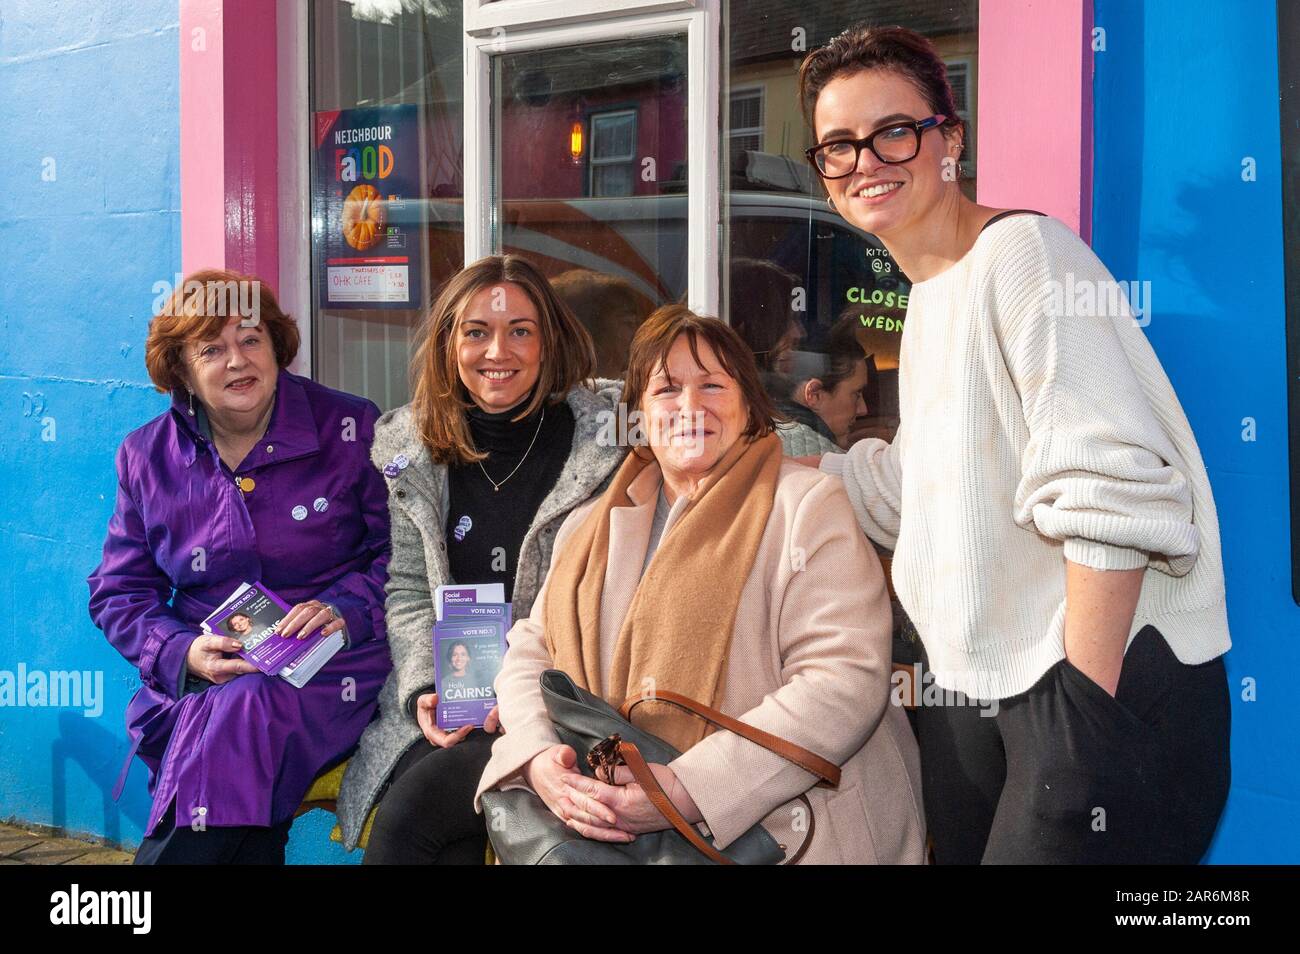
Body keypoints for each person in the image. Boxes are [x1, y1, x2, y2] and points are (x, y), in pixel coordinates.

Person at [797, 24, 1232, 863]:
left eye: (894, 131)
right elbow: (926, 483)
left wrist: (1082, 711)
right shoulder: (931, 297)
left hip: (1094, 682)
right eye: (838, 147)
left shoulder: (1027, 256)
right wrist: (763, 464)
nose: (866, 163)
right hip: (980, 684)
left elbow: (1114, 487)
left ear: (949, 139)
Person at [474, 305, 926, 864]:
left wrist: (686, 790)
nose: (690, 406)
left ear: (748, 407)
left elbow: (841, 682)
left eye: (712, 385)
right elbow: (529, 651)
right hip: (617, 834)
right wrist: (538, 756)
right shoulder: (589, 523)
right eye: (666, 390)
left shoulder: (807, 507)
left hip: (789, 836)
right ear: (639, 412)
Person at [87, 269, 392, 865]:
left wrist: (345, 608)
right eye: (211, 349)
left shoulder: (351, 428)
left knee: (247, 709)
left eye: (252, 340)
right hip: (210, 676)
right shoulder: (146, 455)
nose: (237, 361)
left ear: (277, 347)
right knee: (236, 710)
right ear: (181, 371)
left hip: (333, 661)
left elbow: (403, 557)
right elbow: (119, 591)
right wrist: (182, 654)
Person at [339, 254, 627, 864]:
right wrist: (423, 686)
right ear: (450, 343)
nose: (499, 350)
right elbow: (411, 587)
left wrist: (828, 462)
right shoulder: (407, 445)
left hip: (563, 693)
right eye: (477, 332)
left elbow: (722, 422)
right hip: (456, 695)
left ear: (551, 341)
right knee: (445, 831)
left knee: (412, 818)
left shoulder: (612, 433)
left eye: (521, 330)